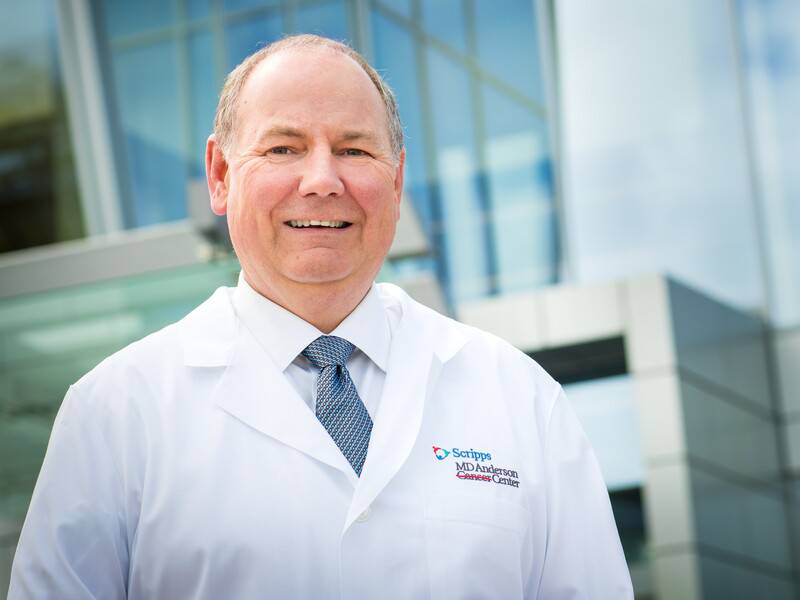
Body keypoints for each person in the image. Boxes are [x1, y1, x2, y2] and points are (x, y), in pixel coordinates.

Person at [9, 35, 633, 599]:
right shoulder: (115, 412)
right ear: (220, 176)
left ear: (396, 181)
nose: (322, 179)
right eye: (284, 147)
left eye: (354, 149)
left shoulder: (520, 398)